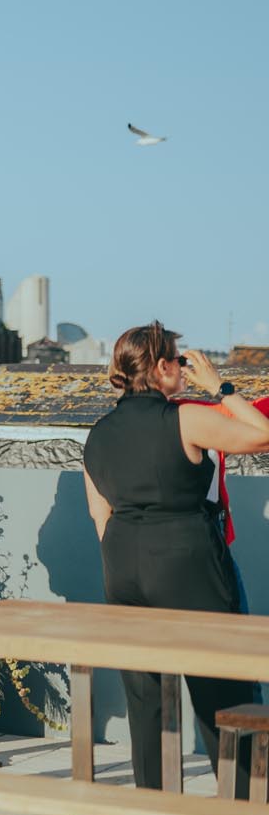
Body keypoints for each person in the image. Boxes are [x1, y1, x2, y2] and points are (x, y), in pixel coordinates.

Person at [81, 323, 269, 791]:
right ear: (162, 367)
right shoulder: (185, 419)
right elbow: (263, 434)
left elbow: (99, 514)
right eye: (179, 362)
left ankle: (157, 808)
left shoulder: (98, 434)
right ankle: (242, 809)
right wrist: (221, 388)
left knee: (145, 699)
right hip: (188, 564)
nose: (184, 370)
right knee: (224, 690)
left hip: (123, 567)